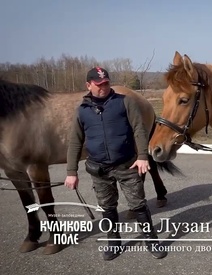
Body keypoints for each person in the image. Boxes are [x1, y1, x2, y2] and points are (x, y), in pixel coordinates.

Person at [64, 67, 167, 261]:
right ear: (89, 85)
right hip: (99, 168)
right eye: (99, 84)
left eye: (106, 83)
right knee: (107, 207)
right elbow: (75, 142)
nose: (103, 87)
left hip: (126, 165)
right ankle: (114, 242)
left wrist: (143, 156)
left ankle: (151, 241)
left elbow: (139, 129)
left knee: (138, 205)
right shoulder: (82, 111)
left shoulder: (124, 102)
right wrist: (71, 172)